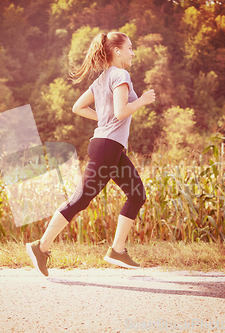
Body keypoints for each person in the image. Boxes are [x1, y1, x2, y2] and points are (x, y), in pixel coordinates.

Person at [26, 31, 156, 277]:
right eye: (130, 47)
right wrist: (143, 100)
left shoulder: (102, 79)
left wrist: (103, 118)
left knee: (137, 193)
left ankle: (117, 250)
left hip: (110, 146)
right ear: (117, 50)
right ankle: (41, 247)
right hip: (107, 146)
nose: (133, 52)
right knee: (81, 199)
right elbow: (120, 112)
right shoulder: (120, 75)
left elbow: (78, 107)